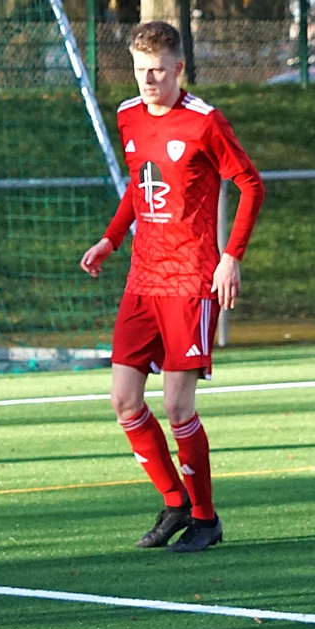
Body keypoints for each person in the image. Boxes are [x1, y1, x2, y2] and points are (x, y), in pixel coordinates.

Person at [80, 21, 264, 553]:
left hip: (190, 281)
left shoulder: (205, 121)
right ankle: (175, 501)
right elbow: (141, 186)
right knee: (124, 401)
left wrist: (231, 258)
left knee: (178, 408)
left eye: (158, 70)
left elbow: (251, 185)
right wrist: (111, 238)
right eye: (140, 70)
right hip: (143, 278)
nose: (148, 80)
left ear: (179, 68)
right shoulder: (128, 115)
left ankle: (206, 518)